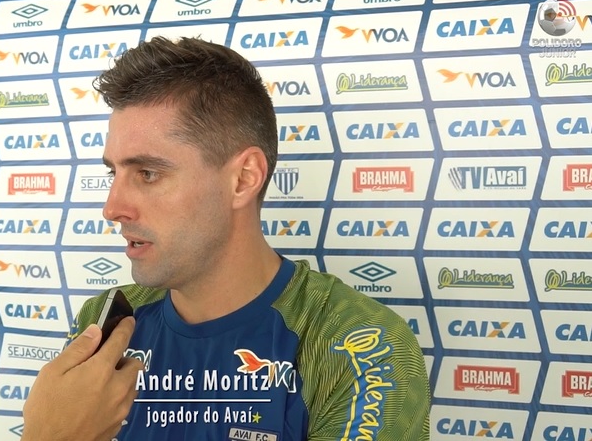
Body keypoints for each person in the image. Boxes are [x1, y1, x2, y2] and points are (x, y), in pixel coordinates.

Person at [22, 36, 431, 441]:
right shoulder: (105, 324)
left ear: (244, 179)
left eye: (148, 173)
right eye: (115, 173)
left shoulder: (359, 346)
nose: (112, 208)